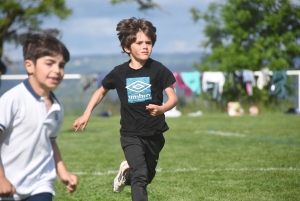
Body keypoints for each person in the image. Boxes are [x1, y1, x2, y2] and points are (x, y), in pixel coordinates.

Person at [73, 17, 178, 201]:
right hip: (131, 134)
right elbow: (101, 91)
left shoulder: (158, 69)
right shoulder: (119, 73)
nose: (145, 46)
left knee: (146, 176)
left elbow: (173, 98)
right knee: (140, 176)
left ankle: (124, 172)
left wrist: (162, 109)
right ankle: (131, 172)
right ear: (127, 48)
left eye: (149, 42)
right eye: (140, 43)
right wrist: (86, 113)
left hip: (155, 134)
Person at [0, 32, 78, 201]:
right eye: (49, 63)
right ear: (29, 66)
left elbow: (50, 141)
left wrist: (62, 171)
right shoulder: (11, 100)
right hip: (8, 186)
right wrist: (1, 179)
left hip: (41, 184)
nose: (57, 70)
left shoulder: (57, 107)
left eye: (61, 65)